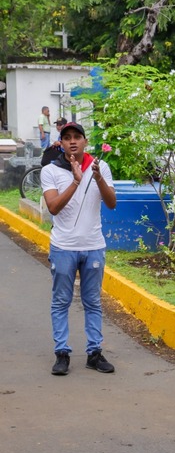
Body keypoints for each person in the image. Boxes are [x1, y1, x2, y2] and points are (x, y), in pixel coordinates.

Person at [41, 122, 117, 376]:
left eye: (77, 137)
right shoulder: (50, 170)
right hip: (63, 247)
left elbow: (111, 203)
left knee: (93, 301)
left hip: (93, 246)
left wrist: (97, 177)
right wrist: (76, 182)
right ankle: (62, 353)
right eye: (67, 138)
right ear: (61, 143)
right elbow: (53, 207)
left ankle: (94, 353)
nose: (72, 141)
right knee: (61, 301)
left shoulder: (100, 167)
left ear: (85, 141)